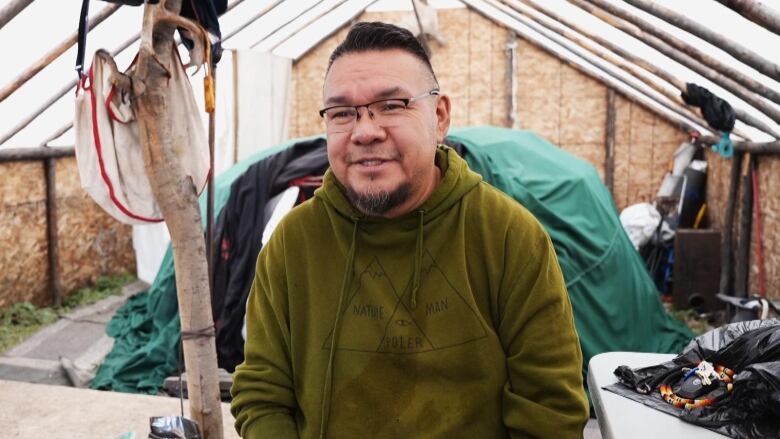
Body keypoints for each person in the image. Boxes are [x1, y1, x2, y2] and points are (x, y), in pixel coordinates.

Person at [230, 21, 589, 438]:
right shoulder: (293, 244)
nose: (365, 131)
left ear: (439, 117)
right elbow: (262, 391)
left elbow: (550, 411)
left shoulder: (509, 238)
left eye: (392, 105)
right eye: (343, 113)